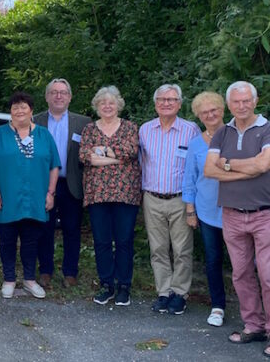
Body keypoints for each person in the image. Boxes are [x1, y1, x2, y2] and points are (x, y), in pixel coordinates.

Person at [204, 81, 270, 358]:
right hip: (231, 214)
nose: (241, 106)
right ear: (229, 105)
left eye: (246, 101)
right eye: (236, 102)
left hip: (265, 214)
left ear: (255, 101)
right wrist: (246, 169)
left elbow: (264, 165)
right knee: (241, 274)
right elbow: (209, 170)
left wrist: (227, 163)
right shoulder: (221, 133)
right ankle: (254, 325)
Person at [0, 92, 59, 300]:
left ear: (31, 110)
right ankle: (8, 279)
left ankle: (29, 280)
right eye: (15, 107)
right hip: (7, 198)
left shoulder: (44, 135)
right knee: (7, 240)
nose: (19, 111)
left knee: (31, 241)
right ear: (10, 111)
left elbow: (54, 166)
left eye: (23, 106)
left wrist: (51, 193)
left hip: (35, 199)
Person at [139, 84, 200, 315]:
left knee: (183, 249)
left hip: (180, 199)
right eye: (162, 99)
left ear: (180, 104)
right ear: (155, 104)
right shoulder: (145, 130)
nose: (166, 103)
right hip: (152, 198)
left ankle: (180, 293)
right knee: (158, 249)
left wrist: (191, 203)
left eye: (172, 99)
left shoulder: (191, 130)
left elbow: (195, 167)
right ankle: (163, 292)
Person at [78, 86, 141, 306]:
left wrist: (100, 152)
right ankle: (107, 284)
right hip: (97, 194)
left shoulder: (131, 128)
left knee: (124, 241)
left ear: (118, 105)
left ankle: (124, 285)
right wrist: (116, 157)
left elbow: (131, 151)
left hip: (126, 193)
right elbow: (86, 156)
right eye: (103, 103)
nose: (107, 106)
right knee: (102, 241)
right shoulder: (89, 130)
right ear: (97, 106)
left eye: (111, 102)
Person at [33, 78, 91, 288]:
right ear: (47, 96)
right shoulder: (35, 121)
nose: (59, 96)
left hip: (71, 184)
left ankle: (70, 273)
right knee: (43, 229)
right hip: (43, 185)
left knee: (72, 229)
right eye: (54, 92)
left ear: (70, 97)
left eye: (63, 92)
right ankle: (45, 271)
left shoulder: (83, 123)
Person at [182, 92, 228, 326]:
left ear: (222, 109)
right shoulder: (196, 143)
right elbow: (190, 178)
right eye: (204, 112)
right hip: (207, 211)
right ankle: (218, 306)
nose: (210, 115)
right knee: (212, 259)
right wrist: (190, 210)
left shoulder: (235, 135)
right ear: (198, 116)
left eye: (214, 110)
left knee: (243, 261)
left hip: (236, 209)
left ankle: (254, 309)